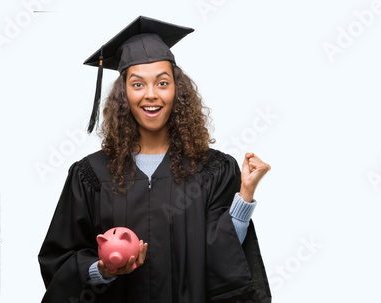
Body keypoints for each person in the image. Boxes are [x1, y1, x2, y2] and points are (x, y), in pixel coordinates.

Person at [38, 16, 272, 303]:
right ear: (123, 94)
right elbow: (60, 258)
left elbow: (224, 257)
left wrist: (244, 196)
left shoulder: (213, 170)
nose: (151, 95)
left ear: (177, 90)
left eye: (162, 82)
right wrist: (102, 269)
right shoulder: (91, 174)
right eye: (138, 85)